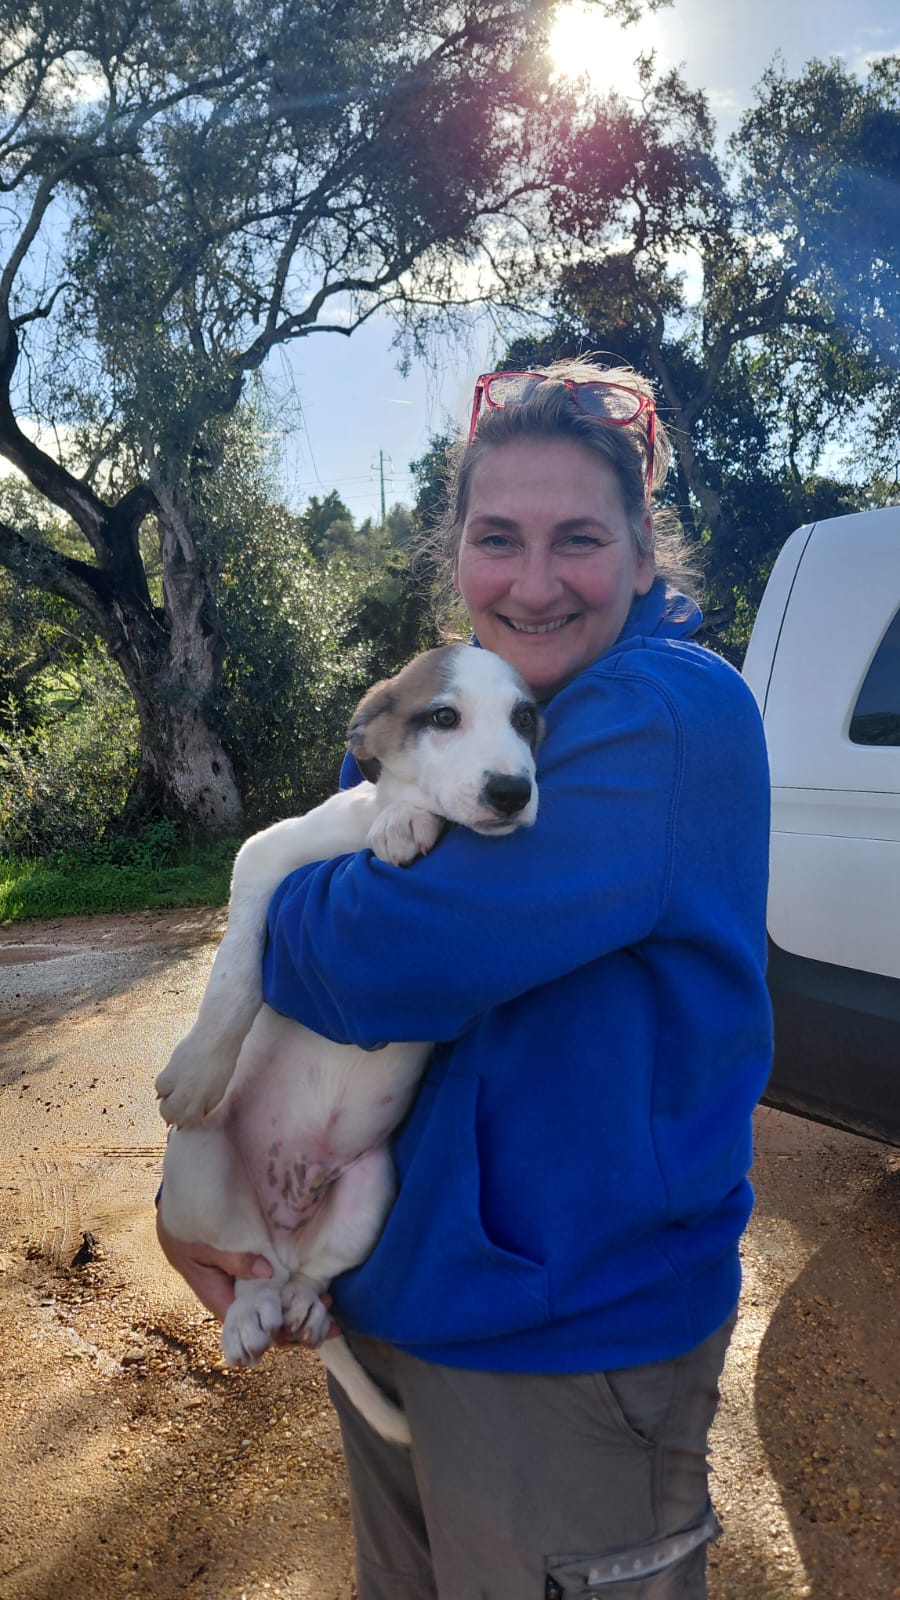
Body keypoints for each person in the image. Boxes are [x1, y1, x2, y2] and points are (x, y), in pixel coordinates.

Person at [157, 359, 773, 1599]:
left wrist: (323, 869)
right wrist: (221, 1192)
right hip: (407, 1303)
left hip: (566, 1350)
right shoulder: (455, 696)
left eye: (579, 539)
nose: (534, 583)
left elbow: (368, 954)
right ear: (457, 559)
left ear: (642, 555)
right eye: (498, 539)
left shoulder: (658, 715)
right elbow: (323, 946)